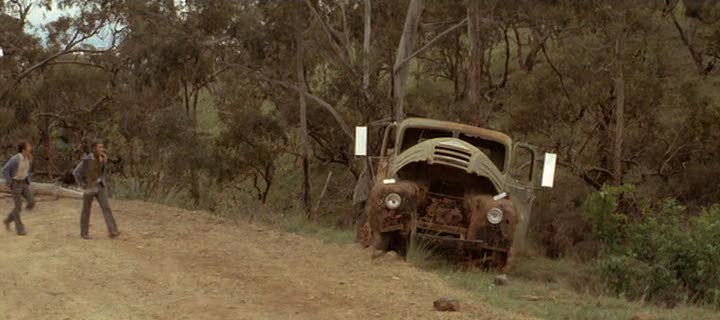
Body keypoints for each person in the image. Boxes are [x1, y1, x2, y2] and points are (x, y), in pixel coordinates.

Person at [72, 140, 119, 239]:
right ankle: (84, 233)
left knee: (106, 207)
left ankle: (113, 230)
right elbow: (76, 172)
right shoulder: (87, 159)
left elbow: (101, 172)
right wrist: (83, 184)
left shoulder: (102, 158)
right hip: (90, 187)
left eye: (102, 147)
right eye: (99, 147)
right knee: (86, 210)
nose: (102, 149)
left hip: (100, 186)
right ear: (94, 148)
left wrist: (103, 163)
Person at [2, 141, 36, 236]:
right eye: (28, 146)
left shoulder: (28, 157)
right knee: (18, 207)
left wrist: (29, 179)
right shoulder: (15, 159)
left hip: (24, 183)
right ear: (23, 149)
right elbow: (5, 169)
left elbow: (27, 171)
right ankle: (20, 230)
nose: (30, 147)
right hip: (16, 184)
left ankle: (8, 220)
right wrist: (9, 183)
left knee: (31, 201)